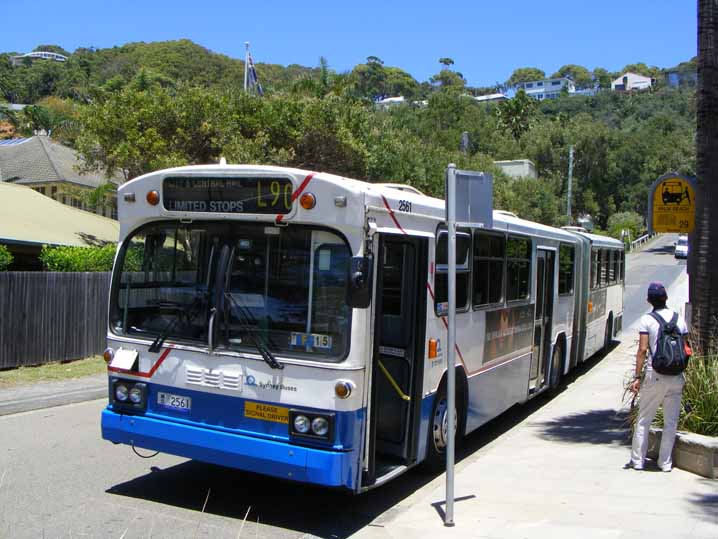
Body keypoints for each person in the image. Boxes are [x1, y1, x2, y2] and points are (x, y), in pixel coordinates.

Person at [626, 282, 688, 472]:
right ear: (666, 298)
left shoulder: (647, 320)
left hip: (656, 374)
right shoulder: (679, 320)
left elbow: (643, 349)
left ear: (648, 300)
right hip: (676, 375)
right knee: (671, 422)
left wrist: (637, 377)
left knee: (644, 419)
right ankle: (665, 463)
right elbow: (686, 349)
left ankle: (638, 461)